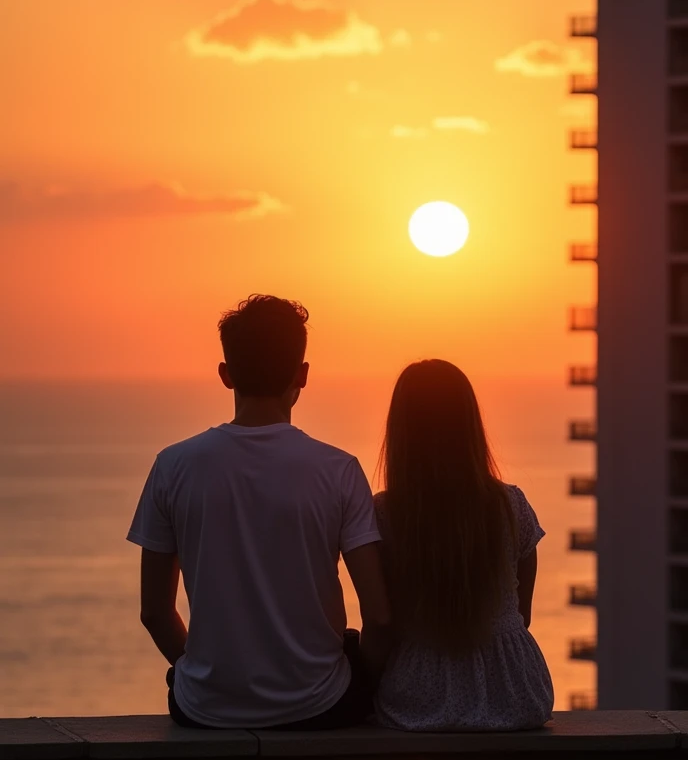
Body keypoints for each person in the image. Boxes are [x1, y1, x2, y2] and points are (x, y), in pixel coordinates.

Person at [127, 294, 391, 729]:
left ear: (226, 375)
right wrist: (364, 681)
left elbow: (155, 612)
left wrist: (206, 678)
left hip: (205, 708)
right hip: (318, 705)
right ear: (302, 375)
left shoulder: (173, 466)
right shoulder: (338, 470)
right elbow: (379, 617)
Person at [373, 359, 554, 732]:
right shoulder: (511, 506)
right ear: (469, 426)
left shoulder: (386, 514)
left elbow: (382, 623)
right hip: (516, 690)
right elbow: (524, 613)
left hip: (421, 696)